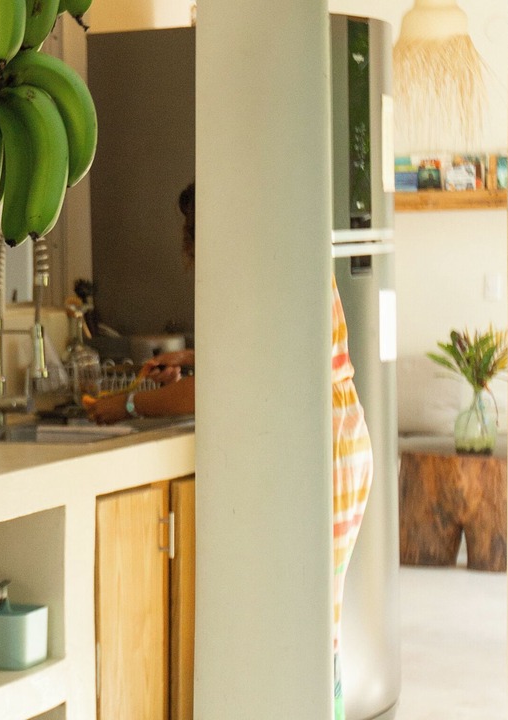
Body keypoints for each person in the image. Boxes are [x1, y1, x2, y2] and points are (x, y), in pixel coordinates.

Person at [85, 182, 374, 720]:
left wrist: (124, 405)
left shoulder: (253, 269)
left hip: (323, 448)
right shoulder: (280, 249)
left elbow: (210, 391)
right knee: (316, 618)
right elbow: (253, 354)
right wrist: (196, 356)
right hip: (336, 436)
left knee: (309, 624)